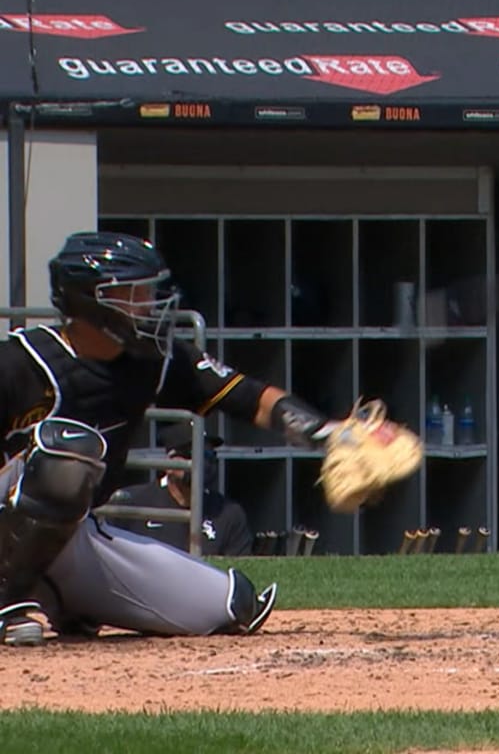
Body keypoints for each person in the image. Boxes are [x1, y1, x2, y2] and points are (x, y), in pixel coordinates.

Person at [0, 231, 386, 646]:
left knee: (230, 606)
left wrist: (329, 436)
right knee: (67, 453)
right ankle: (10, 603)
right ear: (89, 301)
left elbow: (248, 397)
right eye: (133, 294)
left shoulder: (152, 362)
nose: (149, 305)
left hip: (69, 536)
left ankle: (65, 598)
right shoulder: (20, 363)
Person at [104, 424, 253, 557]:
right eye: (192, 455)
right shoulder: (130, 503)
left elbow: (240, 571)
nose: (203, 463)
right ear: (169, 462)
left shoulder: (229, 513)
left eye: (209, 455)